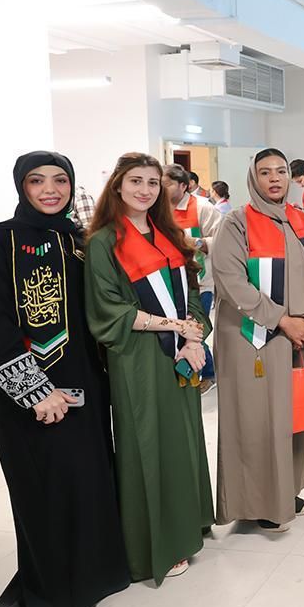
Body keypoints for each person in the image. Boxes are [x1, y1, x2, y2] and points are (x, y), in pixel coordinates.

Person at [0, 152, 130, 607]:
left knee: (88, 479)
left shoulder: (80, 241)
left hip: (88, 386)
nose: (51, 190)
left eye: (60, 180)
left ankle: (96, 575)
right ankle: (54, 588)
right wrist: (35, 391)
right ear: (22, 186)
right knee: (46, 488)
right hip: (35, 396)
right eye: (37, 181)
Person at [85, 152, 214, 584]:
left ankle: (188, 523)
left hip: (180, 353)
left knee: (183, 439)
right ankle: (157, 544)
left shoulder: (167, 233)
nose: (144, 190)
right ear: (118, 186)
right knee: (149, 444)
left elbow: (191, 290)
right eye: (136, 181)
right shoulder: (104, 242)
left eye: (152, 183)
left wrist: (193, 336)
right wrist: (177, 329)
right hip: (139, 357)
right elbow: (108, 310)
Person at [212, 149, 304, 532]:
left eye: (281, 171)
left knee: (293, 417)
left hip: (298, 338)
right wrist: (282, 321)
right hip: (252, 339)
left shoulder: (303, 220)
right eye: (265, 172)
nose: (275, 178)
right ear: (253, 178)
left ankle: (286, 491)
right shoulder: (236, 224)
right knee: (256, 420)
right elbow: (232, 282)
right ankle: (256, 501)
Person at [166, 164, 222, 392]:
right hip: (171, 282)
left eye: (166, 183)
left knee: (198, 329)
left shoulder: (202, 207)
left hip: (200, 282)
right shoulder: (157, 208)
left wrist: (197, 243)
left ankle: (208, 372)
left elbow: (222, 238)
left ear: (183, 185)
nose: (161, 188)